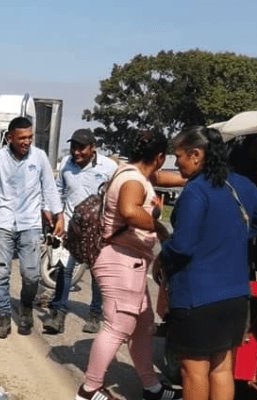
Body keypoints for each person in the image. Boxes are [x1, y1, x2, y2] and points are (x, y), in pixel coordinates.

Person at [159, 126, 257, 400]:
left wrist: (162, 253)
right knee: (222, 369)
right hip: (236, 296)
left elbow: (183, 246)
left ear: (196, 154)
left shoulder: (196, 191)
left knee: (194, 370)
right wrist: (236, 234)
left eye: (178, 156)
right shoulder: (239, 183)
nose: (176, 163)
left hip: (198, 297)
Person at [76, 130, 182, 400]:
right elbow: (130, 211)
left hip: (128, 260)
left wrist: (197, 175)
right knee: (118, 325)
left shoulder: (136, 173)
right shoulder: (134, 181)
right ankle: (89, 389)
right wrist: (159, 227)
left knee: (143, 324)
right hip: (119, 260)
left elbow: (170, 178)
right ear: (160, 157)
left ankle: (152, 387)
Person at [0, 117, 64, 338]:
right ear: (10, 137)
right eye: (22, 137)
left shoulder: (39, 157)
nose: (27, 141)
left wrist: (59, 215)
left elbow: (50, 188)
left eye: (30, 137)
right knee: (0, 273)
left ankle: (25, 308)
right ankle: (4, 317)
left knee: (31, 275)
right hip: (4, 223)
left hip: (31, 224)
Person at [44, 129, 118, 335]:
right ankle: (57, 313)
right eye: (74, 147)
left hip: (97, 231)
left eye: (81, 148)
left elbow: (116, 194)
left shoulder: (109, 167)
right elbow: (58, 190)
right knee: (64, 271)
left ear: (93, 147)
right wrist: (56, 215)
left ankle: (94, 314)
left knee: (96, 274)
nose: (77, 152)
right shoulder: (66, 164)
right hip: (70, 228)